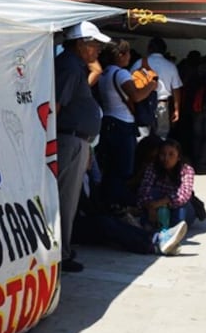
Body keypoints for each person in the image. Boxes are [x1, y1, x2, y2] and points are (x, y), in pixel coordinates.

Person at [54, 20, 110, 272]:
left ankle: (63, 249)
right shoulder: (70, 66)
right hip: (69, 139)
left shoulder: (74, 65)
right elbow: (55, 106)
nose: (97, 49)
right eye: (94, 44)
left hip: (77, 140)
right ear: (80, 44)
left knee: (70, 198)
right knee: (66, 199)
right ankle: (62, 254)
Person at [95, 40, 159, 208]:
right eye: (128, 53)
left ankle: (108, 201)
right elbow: (136, 96)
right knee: (123, 168)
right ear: (121, 55)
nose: (130, 56)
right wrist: (151, 86)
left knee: (110, 168)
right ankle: (118, 203)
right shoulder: (121, 74)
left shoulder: (104, 73)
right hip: (123, 124)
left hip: (108, 121)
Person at [134, 137, 198, 232]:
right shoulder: (153, 167)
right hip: (156, 205)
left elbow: (184, 195)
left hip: (174, 205)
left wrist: (162, 202)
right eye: (162, 154)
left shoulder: (186, 170)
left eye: (171, 154)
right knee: (150, 196)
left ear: (178, 157)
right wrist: (150, 207)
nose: (166, 158)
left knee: (182, 212)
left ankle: (170, 229)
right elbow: (144, 189)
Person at [131, 36, 182, 140]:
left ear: (149, 48)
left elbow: (128, 82)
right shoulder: (171, 66)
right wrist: (177, 109)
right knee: (161, 136)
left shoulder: (139, 63)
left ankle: (143, 155)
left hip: (143, 102)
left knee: (142, 136)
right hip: (162, 104)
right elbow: (176, 89)